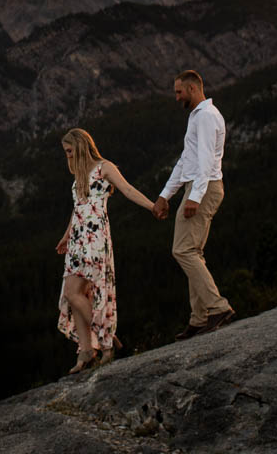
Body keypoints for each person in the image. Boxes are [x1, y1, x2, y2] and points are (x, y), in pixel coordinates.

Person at [56, 127, 158, 374]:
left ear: (80, 146)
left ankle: (105, 338)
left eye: (69, 151)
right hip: (77, 239)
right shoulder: (79, 175)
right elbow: (78, 207)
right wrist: (65, 236)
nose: (67, 156)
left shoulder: (104, 167)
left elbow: (128, 190)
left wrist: (152, 206)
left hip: (95, 237)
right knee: (73, 293)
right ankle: (87, 351)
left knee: (78, 292)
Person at [152, 69, 235, 340]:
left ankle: (217, 307)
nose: (176, 97)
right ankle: (199, 319)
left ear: (192, 88)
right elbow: (186, 160)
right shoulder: (197, 117)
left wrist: (195, 197)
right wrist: (166, 195)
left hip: (205, 187)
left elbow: (206, 161)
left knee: (183, 251)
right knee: (192, 252)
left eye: (179, 92)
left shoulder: (208, 117)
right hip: (197, 186)